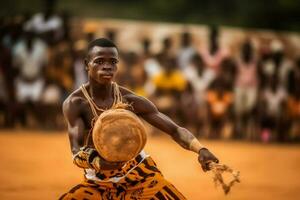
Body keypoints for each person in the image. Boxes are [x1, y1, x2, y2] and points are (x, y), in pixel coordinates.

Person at [60, 38, 219, 199]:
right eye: (99, 61)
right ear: (87, 64)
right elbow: (76, 151)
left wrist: (200, 149)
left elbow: (174, 130)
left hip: (139, 176)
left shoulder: (129, 99)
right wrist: (100, 163)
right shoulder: (75, 104)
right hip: (97, 181)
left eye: (113, 62)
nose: (107, 66)